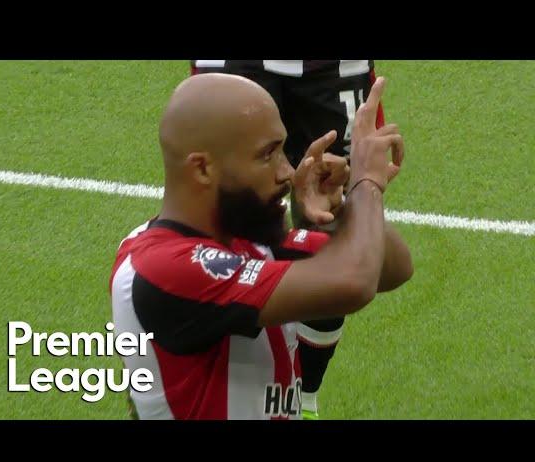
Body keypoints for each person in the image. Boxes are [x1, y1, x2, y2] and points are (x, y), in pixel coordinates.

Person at [109, 73, 412, 420]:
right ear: (203, 168)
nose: (287, 172)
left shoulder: (249, 239)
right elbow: (355, 282)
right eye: (267, 155)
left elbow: (393, 268)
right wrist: (366, 183)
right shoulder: (160, 267)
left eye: (283, 150)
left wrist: (340, 210)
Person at [191, 60, 385, 418]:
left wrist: (367, 186)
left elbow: (385, 267)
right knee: (222, 223)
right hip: (234, 65)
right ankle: (210, 397)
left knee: (331, 214)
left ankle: (303, 397)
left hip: (330, 68)